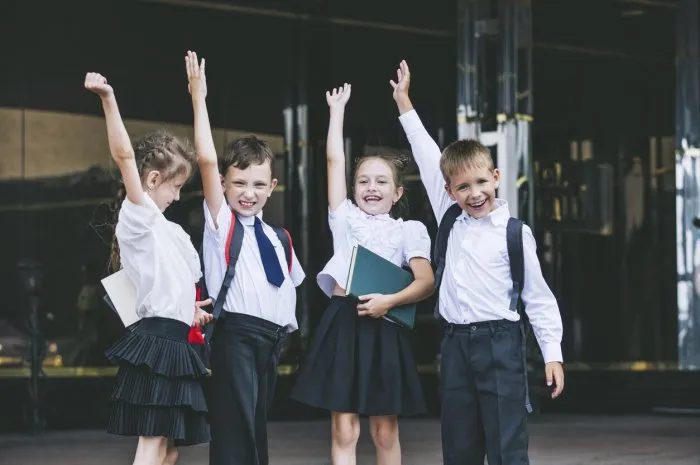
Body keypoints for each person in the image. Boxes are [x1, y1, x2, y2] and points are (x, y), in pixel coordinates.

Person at [392, 60, 565, 465]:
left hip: (500, 344)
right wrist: (404, 102)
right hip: (454, 345)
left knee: (507, 444)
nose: (474, 193)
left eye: (481, 182)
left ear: (497, 177)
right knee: (459, 443)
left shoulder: (514, 233)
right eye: (463, 187)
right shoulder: (449, 216)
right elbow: (425, 151)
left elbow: (538, 298)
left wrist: (552, 353)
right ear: (449, 191)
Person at [290, 83, 434, 465]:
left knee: (385, 429)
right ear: (353, 190)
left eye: (381, 182)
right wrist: (336, 112)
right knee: (344, 428)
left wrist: (390, 302)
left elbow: (425, 282)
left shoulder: (409, 231)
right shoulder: (345, 219)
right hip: (344, 323)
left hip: (385, 325)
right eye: (364, 182)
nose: (372, 188)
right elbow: (334, 162)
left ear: (398, 193)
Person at [85, 71, 213, 465]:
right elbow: (124, 155)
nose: (178, 196)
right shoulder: (138, 216)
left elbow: (171, 285)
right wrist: (108, 98)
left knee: (169, 449)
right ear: (153, 179)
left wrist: (188, 310)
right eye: (175, 187)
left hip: (177, 338)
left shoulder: (170, 232)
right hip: (158, 340)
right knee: (154, 442)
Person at [184, 51, 306, 465]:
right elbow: (204, 158)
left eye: (257, 184)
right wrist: (199, 97)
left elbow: (291, 291)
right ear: (223, 183)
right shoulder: (222, 224)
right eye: (238, 183)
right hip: (235, 336)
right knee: (236, 434)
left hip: (271, 343)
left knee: (254, 431)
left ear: (272, 186)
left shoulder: (279, 237)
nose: (247, 193)